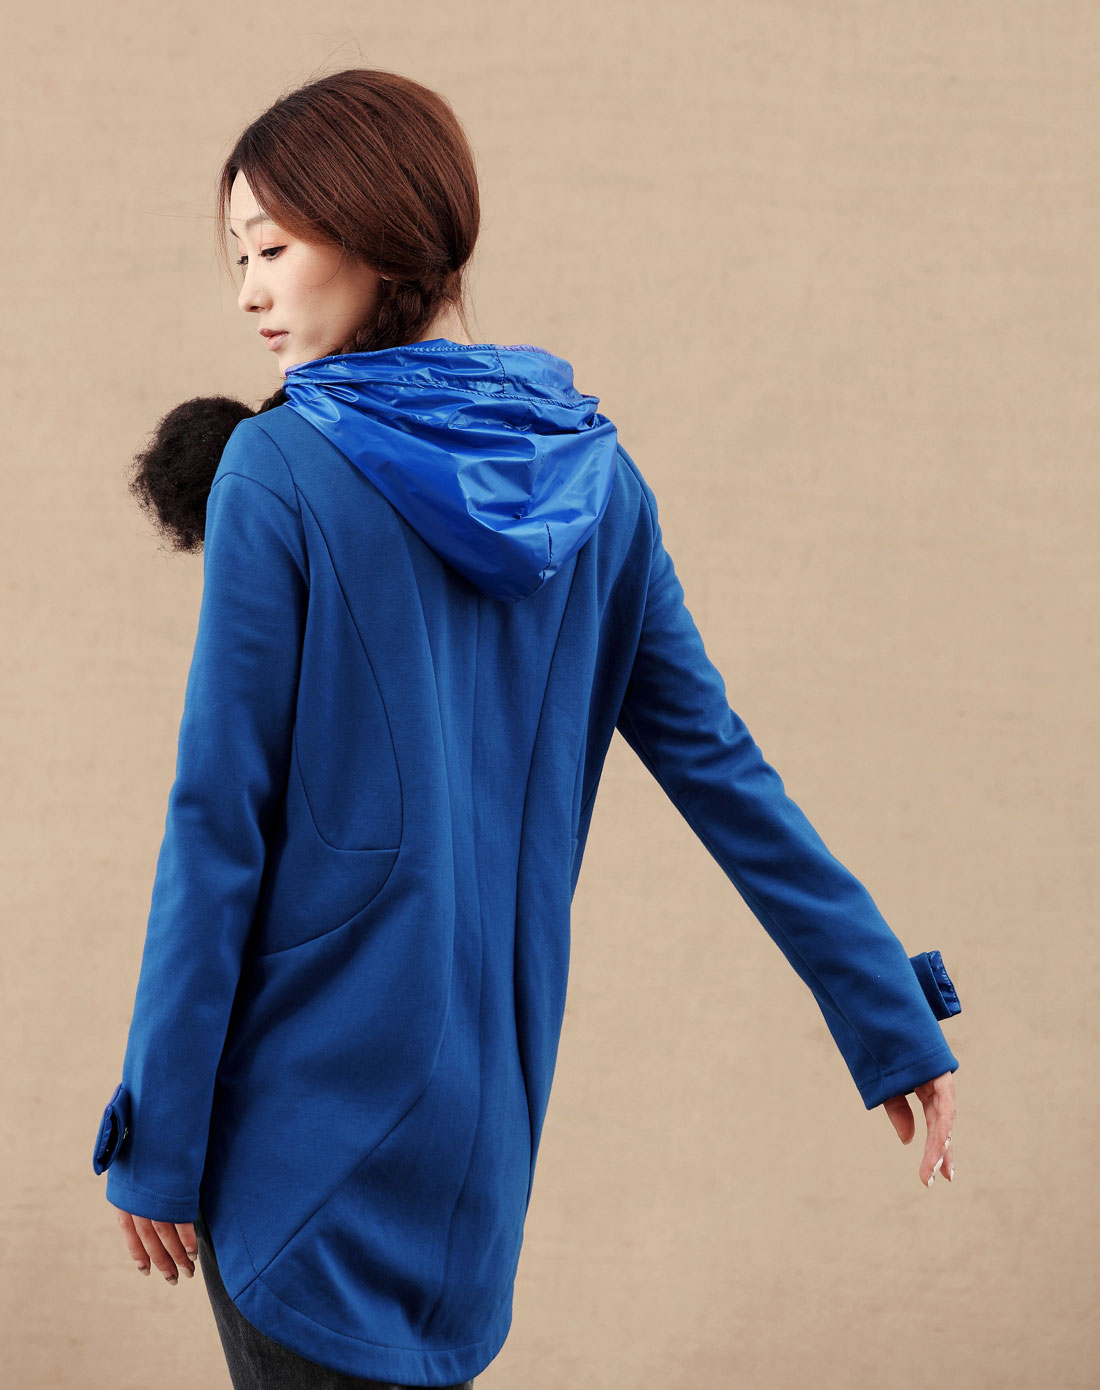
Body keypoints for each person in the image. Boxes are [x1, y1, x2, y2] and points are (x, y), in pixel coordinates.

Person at [91, 67, 960, 1390]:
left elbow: (220, 822)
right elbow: (723, 769)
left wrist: (157, 1136)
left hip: (298, 1133)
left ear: (376, 234)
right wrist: (888, 1011)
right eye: (239, 257)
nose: (250, 291)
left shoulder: (280, 466)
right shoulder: (595, 477)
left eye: (271, 248)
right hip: (478, 1153)